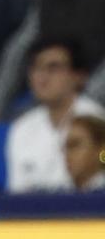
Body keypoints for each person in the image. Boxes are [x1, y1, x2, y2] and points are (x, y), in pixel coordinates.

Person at [6, 39, 105, 193]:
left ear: (78, 76)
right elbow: (17, 191)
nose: (42, 77)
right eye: (36, 68)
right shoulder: (22, 128)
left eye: (53, 68)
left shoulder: (97, 119)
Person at [65, 115, 105, 192]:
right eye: (66, 147)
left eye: (75, 144)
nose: (67, 154)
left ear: (99, 149)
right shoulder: (60, 193)